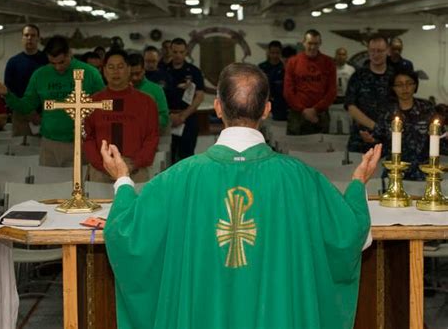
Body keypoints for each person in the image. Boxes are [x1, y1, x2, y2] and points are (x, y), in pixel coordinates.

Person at [101, 62, 381, 329]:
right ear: (267, 109)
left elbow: (127, 236)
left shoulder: (178, 178)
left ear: (219, 108)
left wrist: (123, 180)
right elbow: (349, 235)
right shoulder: (301, 179)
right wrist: (357, 184)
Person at [0, 35, 105, 167]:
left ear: (70, 54)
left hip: (81, 142)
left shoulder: (90, 73)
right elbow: (26, 106)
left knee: (78, 186)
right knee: (48, 185)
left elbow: (103, 107)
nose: (57, 67)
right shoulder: (40, 75)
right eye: (53, 63)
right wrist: (8, 95)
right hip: (49, 143)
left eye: (62, 62)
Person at [84, 49, 159, 183]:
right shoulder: (93, 102)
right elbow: (87, 137)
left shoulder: (146, 102)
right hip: (101, 169)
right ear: (104, 71)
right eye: (111, 67)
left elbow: (152, 137)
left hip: (136, 169)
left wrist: (134, 164)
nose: (115, 71)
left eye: (120, 67)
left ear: (129, 69)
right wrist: (102, 165)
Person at [360, 70, 435, 180]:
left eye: (409, 83)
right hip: (394, 170)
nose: (405, 88)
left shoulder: (427, 108)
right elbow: (378, 139)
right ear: (393, 88)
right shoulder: (386, 111)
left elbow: (439, 137)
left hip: (423, 172)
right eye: (399, 84)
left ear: (415, 85)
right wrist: (369, 140)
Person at [346, 34, 395, 153]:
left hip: (389, 139)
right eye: (372, 51)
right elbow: (350, 106)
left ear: (387, 51)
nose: (376, 54)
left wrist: (383, 130)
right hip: (361, 138)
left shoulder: (395, 76)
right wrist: (373, 127)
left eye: (380, 51)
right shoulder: (358, 76)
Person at [284, 29, 336, 135]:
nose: (312, 47)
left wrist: (315, 110)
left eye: (316, 44)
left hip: (320, 114)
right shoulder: (293, 62)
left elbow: (332, 91)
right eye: (310, 43)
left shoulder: (328, 62)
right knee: (294, 147)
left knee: (323, 148)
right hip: (297, 114)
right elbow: (288, 91)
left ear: (320, 43)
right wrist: (302, 109)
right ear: (304, 42)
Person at [4, 24, 48, 136]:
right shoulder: (13, 62)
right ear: (22, 38)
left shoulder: (47, 60)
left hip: (44, 113)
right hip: (20, 113)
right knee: (21, 149)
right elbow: (9, 89)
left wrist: (39, 112)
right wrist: (27, 110)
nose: (29, 38)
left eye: (33, 35)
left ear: (38, 38)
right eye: (26, 35)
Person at [165, 37, 205, 163]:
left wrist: (183, 116)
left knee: (187, 156)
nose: (178, 55)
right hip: (167, 117)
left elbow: (199, 96)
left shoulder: (194, 72)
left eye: (181, 52)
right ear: (170, 51)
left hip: (188, 118)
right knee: (168, 156)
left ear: (186, 52)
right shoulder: (162, 70)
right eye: (175, 52)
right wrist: (170, 115)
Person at [128, 53, 169, 132]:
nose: (134, 78)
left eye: (137, 73)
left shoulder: (156, 90)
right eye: (131, 74)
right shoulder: (120, 90)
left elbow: (164, 118)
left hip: (148, 138)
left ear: (144, 70)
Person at [258, 40, 286, 121]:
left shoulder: (285, 68)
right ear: (268, 52)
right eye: (272, 53)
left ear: (280, 53)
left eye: (277, 53)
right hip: (264, 103)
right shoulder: (261, 67)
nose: (274, 55)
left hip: (280, 105)